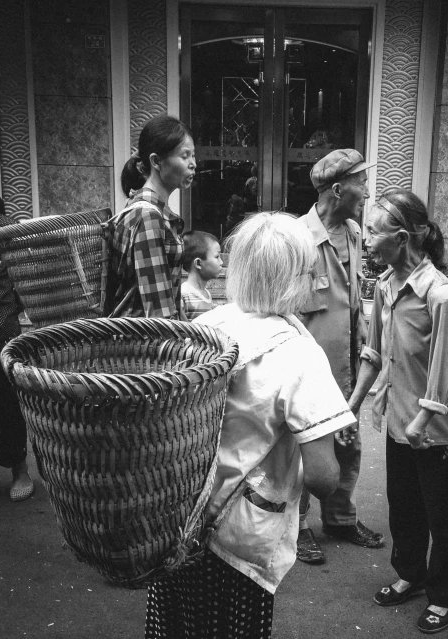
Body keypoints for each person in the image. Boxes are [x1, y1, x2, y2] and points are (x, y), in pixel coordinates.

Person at [145, 213, 354, 639]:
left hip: (180, 517)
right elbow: (324, 478)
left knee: (175, 626)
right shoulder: (300, 355)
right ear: (297, 278)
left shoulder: (207, 326)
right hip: (239, 537)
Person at [348, 187, 448, 634]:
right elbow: (373, 354)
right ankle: (411, 575)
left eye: (372, 231)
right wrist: (353, 405)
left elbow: (446, 369)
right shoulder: (385, 286)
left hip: (439, 428)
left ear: (401, 238)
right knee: (404, 506)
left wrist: (422, 421)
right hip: (401, 420)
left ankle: (446, 596)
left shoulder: (439, 296)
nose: (366, 239)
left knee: (447, 515)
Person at [295, 149, 383, 565]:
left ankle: (341, 519)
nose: (367, 191)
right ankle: (296, 528)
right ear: (337, 188)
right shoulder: (296, 240)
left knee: (349, 447)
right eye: (361, 183)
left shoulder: (351, 231)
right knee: (303, 453)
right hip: (309, 371)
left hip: (348, 368)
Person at [104, 115, 194, 319]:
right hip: (142, 346)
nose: (193, 164)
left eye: (193, 156)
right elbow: (159, 315)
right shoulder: (148, 217)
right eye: (184, 156)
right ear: (156, 161)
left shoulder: (148, 211)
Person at [0, 164, 34, 502]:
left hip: (0, 329)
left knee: (7, 404)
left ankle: (19, 469)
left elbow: (25, 283)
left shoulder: (6, 231)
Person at [180, 230, 223, 320]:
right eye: (217, 257)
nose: (221, 262)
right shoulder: (184, 295)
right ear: (198, 263)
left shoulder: (207, 294)